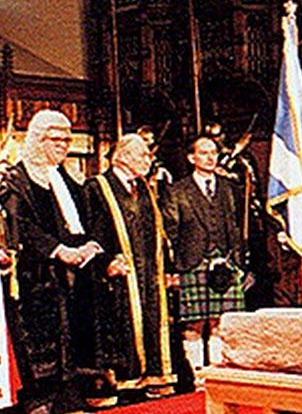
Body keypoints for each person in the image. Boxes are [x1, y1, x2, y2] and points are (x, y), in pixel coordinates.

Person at [1, 110, 102, 414]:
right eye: (55, 139)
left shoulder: (65, 178)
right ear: (37, 139)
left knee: (68, 338)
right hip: (33, 276)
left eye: (66, 140)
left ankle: (65, 402)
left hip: (68, 275)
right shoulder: (17, 180)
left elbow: (81, 220)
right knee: (38, 344)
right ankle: (38, 408)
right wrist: (59, 251)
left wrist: (88, 245)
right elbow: (22, 226)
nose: (62, 145)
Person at [84, 133, 176, 400]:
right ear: (122, 157)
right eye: (142, 155)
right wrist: (105, 262)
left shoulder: (144, 187)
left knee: (152, 318)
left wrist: (167, 269)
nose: (148, 160)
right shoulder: (97, 187)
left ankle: (153, 376)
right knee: (119, 324)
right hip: (115, 274)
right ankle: (125, 381)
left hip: (148, 271)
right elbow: (88, 233)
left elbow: (158, 231)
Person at [162, 136, 246, 369]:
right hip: (192, 263)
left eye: (213, 153)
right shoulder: (177, 190)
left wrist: (239, 262)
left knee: (222, 323)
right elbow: (170, 232)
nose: (210, 158)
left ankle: (219, 373)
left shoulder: (229, 188)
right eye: (204, 153)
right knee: (194, 325)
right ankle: (197, 376)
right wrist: (173, 268)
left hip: (226, 263)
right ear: (192, 158)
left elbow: (236, 226)